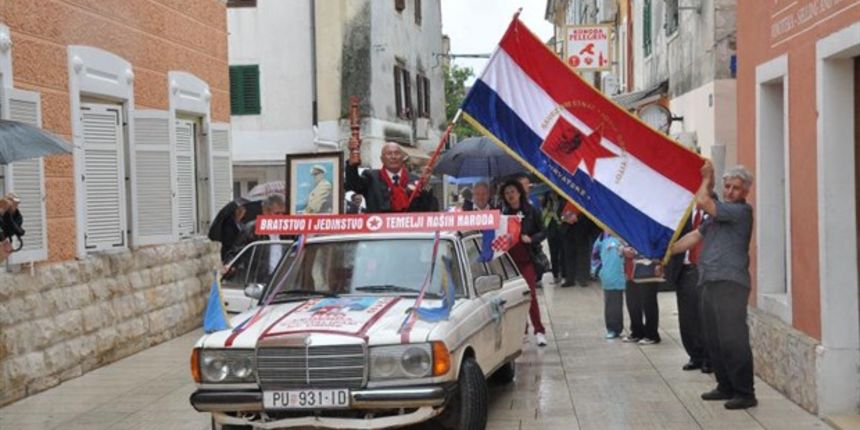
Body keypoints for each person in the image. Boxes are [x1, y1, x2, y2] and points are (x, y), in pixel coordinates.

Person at [670, 162, 757, 410]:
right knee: (713, 338)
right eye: (727, 186)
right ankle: (725, 385)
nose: (729, 192)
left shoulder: (741, 212)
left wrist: (707, 179)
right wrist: (667, 252)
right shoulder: (716, 217)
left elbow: (702, 202)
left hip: (730, 283)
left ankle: (745, 392)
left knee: (733, 338)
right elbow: (694, 236)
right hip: (708, 280)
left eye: (735, 188)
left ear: (745, 191)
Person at [499, 179, 548, 347]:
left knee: (530, 296)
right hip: (509, 264)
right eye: (507, 193)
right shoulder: (503, 214)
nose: (510, 195)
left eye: (512, 192)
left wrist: (531, 238)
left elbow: (543, 232)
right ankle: (523, 330)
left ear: (519, 193)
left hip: (527, 260)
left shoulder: (532, 211)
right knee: (514, 298)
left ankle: (539, 330)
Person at [665, 202, 712, 373]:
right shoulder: (681, 209)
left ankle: (709, 358)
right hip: (684, 269)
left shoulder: (713, 210)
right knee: (687, 317)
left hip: (705, 270)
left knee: (704, 316)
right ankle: (695, 355)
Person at [345, 142, 437, 213]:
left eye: (397, 153)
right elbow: (352, 185)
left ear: (403, 157)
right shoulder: (371, 177)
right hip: (379, 229)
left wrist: (425, 185)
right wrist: (352, 165)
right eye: (389, 154)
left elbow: (428, 208)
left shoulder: (415, 180)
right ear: (382, 159)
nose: (393, 157)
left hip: (408, 230)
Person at [621, 246, 662, 345]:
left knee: (648, 303)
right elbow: (619, 241)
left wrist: (660, 263)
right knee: (632, 303)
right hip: (631, 268)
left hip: (648, 266)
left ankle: (652, 334)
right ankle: (637, 332)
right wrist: (622, 249)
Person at [591, 231, 626, 339]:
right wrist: (599, 270)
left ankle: (638, 330)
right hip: (611, 276)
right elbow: (595, 254)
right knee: (612, 304)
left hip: (631, 274)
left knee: (635, 305)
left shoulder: (627, 232)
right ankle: (613, 328)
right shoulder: (603, 236)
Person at [559, 202, 592, 287]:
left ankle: (582, 278)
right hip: (568, 230)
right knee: (569, 256)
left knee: (583, 255)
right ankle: (570, 279)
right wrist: (565, 217)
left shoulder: (583, 199)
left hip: (582, 230)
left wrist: (577, 217)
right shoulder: (565, 199)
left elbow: (590, 213)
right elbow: (559, 212)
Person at [542, 192, 564, 283]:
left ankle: (563, 272)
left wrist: (556, 216)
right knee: (553, 253)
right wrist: (548, 211)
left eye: (554, 193)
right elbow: (542, 217)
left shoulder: (562, 202)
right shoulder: (547, 204)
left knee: (562, 252)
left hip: (560, 230)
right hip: (551, 231)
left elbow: (563, 217)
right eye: (551, 194)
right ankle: (556, 274)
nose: (553, 195)